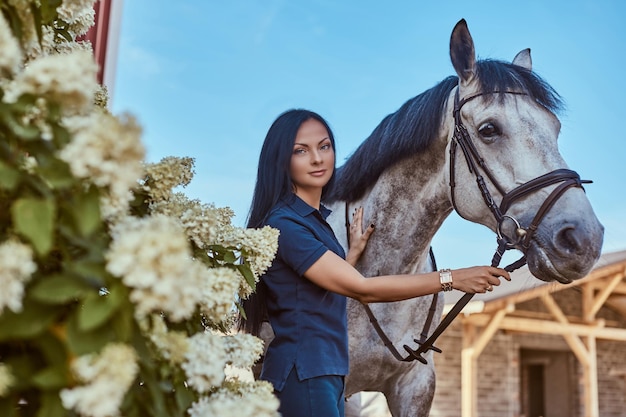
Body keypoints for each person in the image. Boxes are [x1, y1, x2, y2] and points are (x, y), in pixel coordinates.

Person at [240, 108, 510, 417]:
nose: (317, 158)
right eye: (300, 151)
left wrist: (351, 254)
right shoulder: (286, 225)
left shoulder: (313, 223)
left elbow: (318, 286)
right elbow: (362, 289)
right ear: (281, 161)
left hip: (322, 374)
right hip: (304, 375)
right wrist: (452, 278)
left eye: (324, 146)